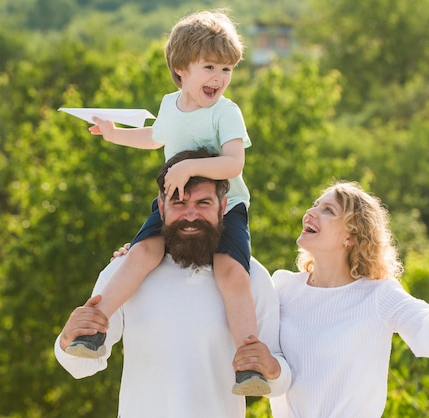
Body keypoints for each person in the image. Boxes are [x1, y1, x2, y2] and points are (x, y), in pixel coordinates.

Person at [66, 9, 268, 395]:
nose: (218, 79)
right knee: (139, 254)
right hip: (174, 202)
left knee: (231, 272)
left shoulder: (226, 112)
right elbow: (156, 137)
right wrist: (114, 135)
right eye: (209, 67)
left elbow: (233, 163)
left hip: (225, 208)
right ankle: (94, 326)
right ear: (180, 68)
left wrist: (190, 164)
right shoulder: (169, 104)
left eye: (226, 70)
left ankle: (248, 359)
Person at [54, 149, 291, 418]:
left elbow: (278, 381)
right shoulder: (124, 271)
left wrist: (271, 367)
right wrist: (66, 338)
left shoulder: (251, 277)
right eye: (179, 203)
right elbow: (81, 366)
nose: (191, 215)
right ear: (161, 207)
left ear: (223, 207)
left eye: (203, 203)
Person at [259, 181, 429, 418]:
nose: (310, 213)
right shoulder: (283, 287)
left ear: (351, 237)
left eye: (327, 210)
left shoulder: (379, 296)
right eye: (314, 205)